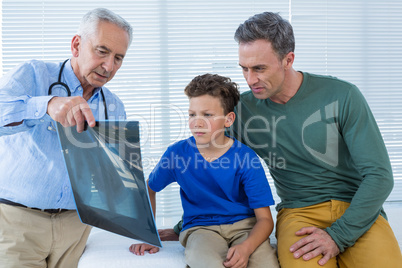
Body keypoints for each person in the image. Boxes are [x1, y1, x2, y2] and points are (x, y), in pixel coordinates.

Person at [162, 12, 402, 268]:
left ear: (288, 60)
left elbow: (379, 176)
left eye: (259, 68)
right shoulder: (241, 111)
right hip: (299, 213)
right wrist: (186, 226)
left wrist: (337, 236)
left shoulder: (343, 95)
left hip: (357, 210)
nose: (250, 79)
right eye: (244, 68)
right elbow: (205, 165)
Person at [0, 8, 132, 267]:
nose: (109, 66)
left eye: (118, 58)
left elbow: (115, 177)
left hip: (77, 229)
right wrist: (47, 105)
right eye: (102, 51)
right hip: (17, 223)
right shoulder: (34, 74)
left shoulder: (114, 106)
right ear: (76, 45)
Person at [129, 73, 279, 268]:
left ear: (228, 119)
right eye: (192, 114)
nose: (197, 123)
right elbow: (149, 188)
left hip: (245, 227)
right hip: (201, 228)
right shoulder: (177, 154)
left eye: (207, 115)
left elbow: (265, 220)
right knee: (205, 262)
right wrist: (149, 236)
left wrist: (247, 247)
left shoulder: (246, 158)